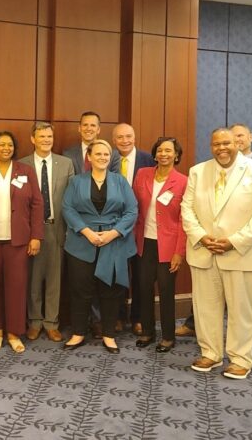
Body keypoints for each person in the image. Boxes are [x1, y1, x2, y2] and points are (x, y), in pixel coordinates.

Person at [181, 128, 252, 379]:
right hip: (204, 251)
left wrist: (233, 242)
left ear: (237, 142)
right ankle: (211, 353)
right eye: (216, 144)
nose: (221, 148)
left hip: (242, 254)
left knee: (241, 310)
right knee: (205, 308)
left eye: (226, 142)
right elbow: (187, 209)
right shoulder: (197, 171)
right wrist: (202, 237)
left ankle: (240, 358)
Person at [61, 140, 137, 354]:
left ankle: (109, 334)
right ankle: (78, 333)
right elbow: (67, 208)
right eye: (98, 154)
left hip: (113, 242)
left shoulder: (120, 181)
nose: (102, 157)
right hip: (81, 242)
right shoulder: (76, 181)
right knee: (79, 290)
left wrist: (113, 233)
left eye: (106, 154)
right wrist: (86, 231)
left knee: (111, 291)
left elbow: (132, 211)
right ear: (90, 157)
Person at [0, 131, 43, 353]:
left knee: (17, 287)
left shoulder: (25, 171)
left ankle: (14, 332)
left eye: (10, 144)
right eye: (1, 144)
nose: (6, 148)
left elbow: (37, 204)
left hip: (18, 240)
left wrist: (36, 236)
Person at [19, 122, 74, 343]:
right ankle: (34, 322)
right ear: (33, 139)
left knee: (54, 278)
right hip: (32, 229)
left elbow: (71, 198)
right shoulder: (21, 165)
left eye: (49, 136)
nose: (46, 140)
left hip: (56, 226)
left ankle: (51, 323)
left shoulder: (66, 163)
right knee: (33, 278)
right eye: (41, 136)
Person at [133, 137, 188, 353]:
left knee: (166, 290)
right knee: (144, 288)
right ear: (155, 154)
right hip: (143, 241)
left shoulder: (183, 181)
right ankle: (147, 331)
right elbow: (134, 205)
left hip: (168, 245)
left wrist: (179, 253)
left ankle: (167, 336)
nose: (164, 154)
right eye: (160, 150)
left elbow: (184, 219)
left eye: (169, 151)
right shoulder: (142, 174)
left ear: (176, 155)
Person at [112, 122, 155, 335]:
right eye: (120, 137)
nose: (125, 141)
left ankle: (138, 317)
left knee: (140, 274)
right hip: (115, 228)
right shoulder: (108, 158)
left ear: (135, 137)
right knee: (118, 273)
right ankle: (118, 316)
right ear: (114, 140)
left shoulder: (148, 160)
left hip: (141, 227)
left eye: (128, 136)